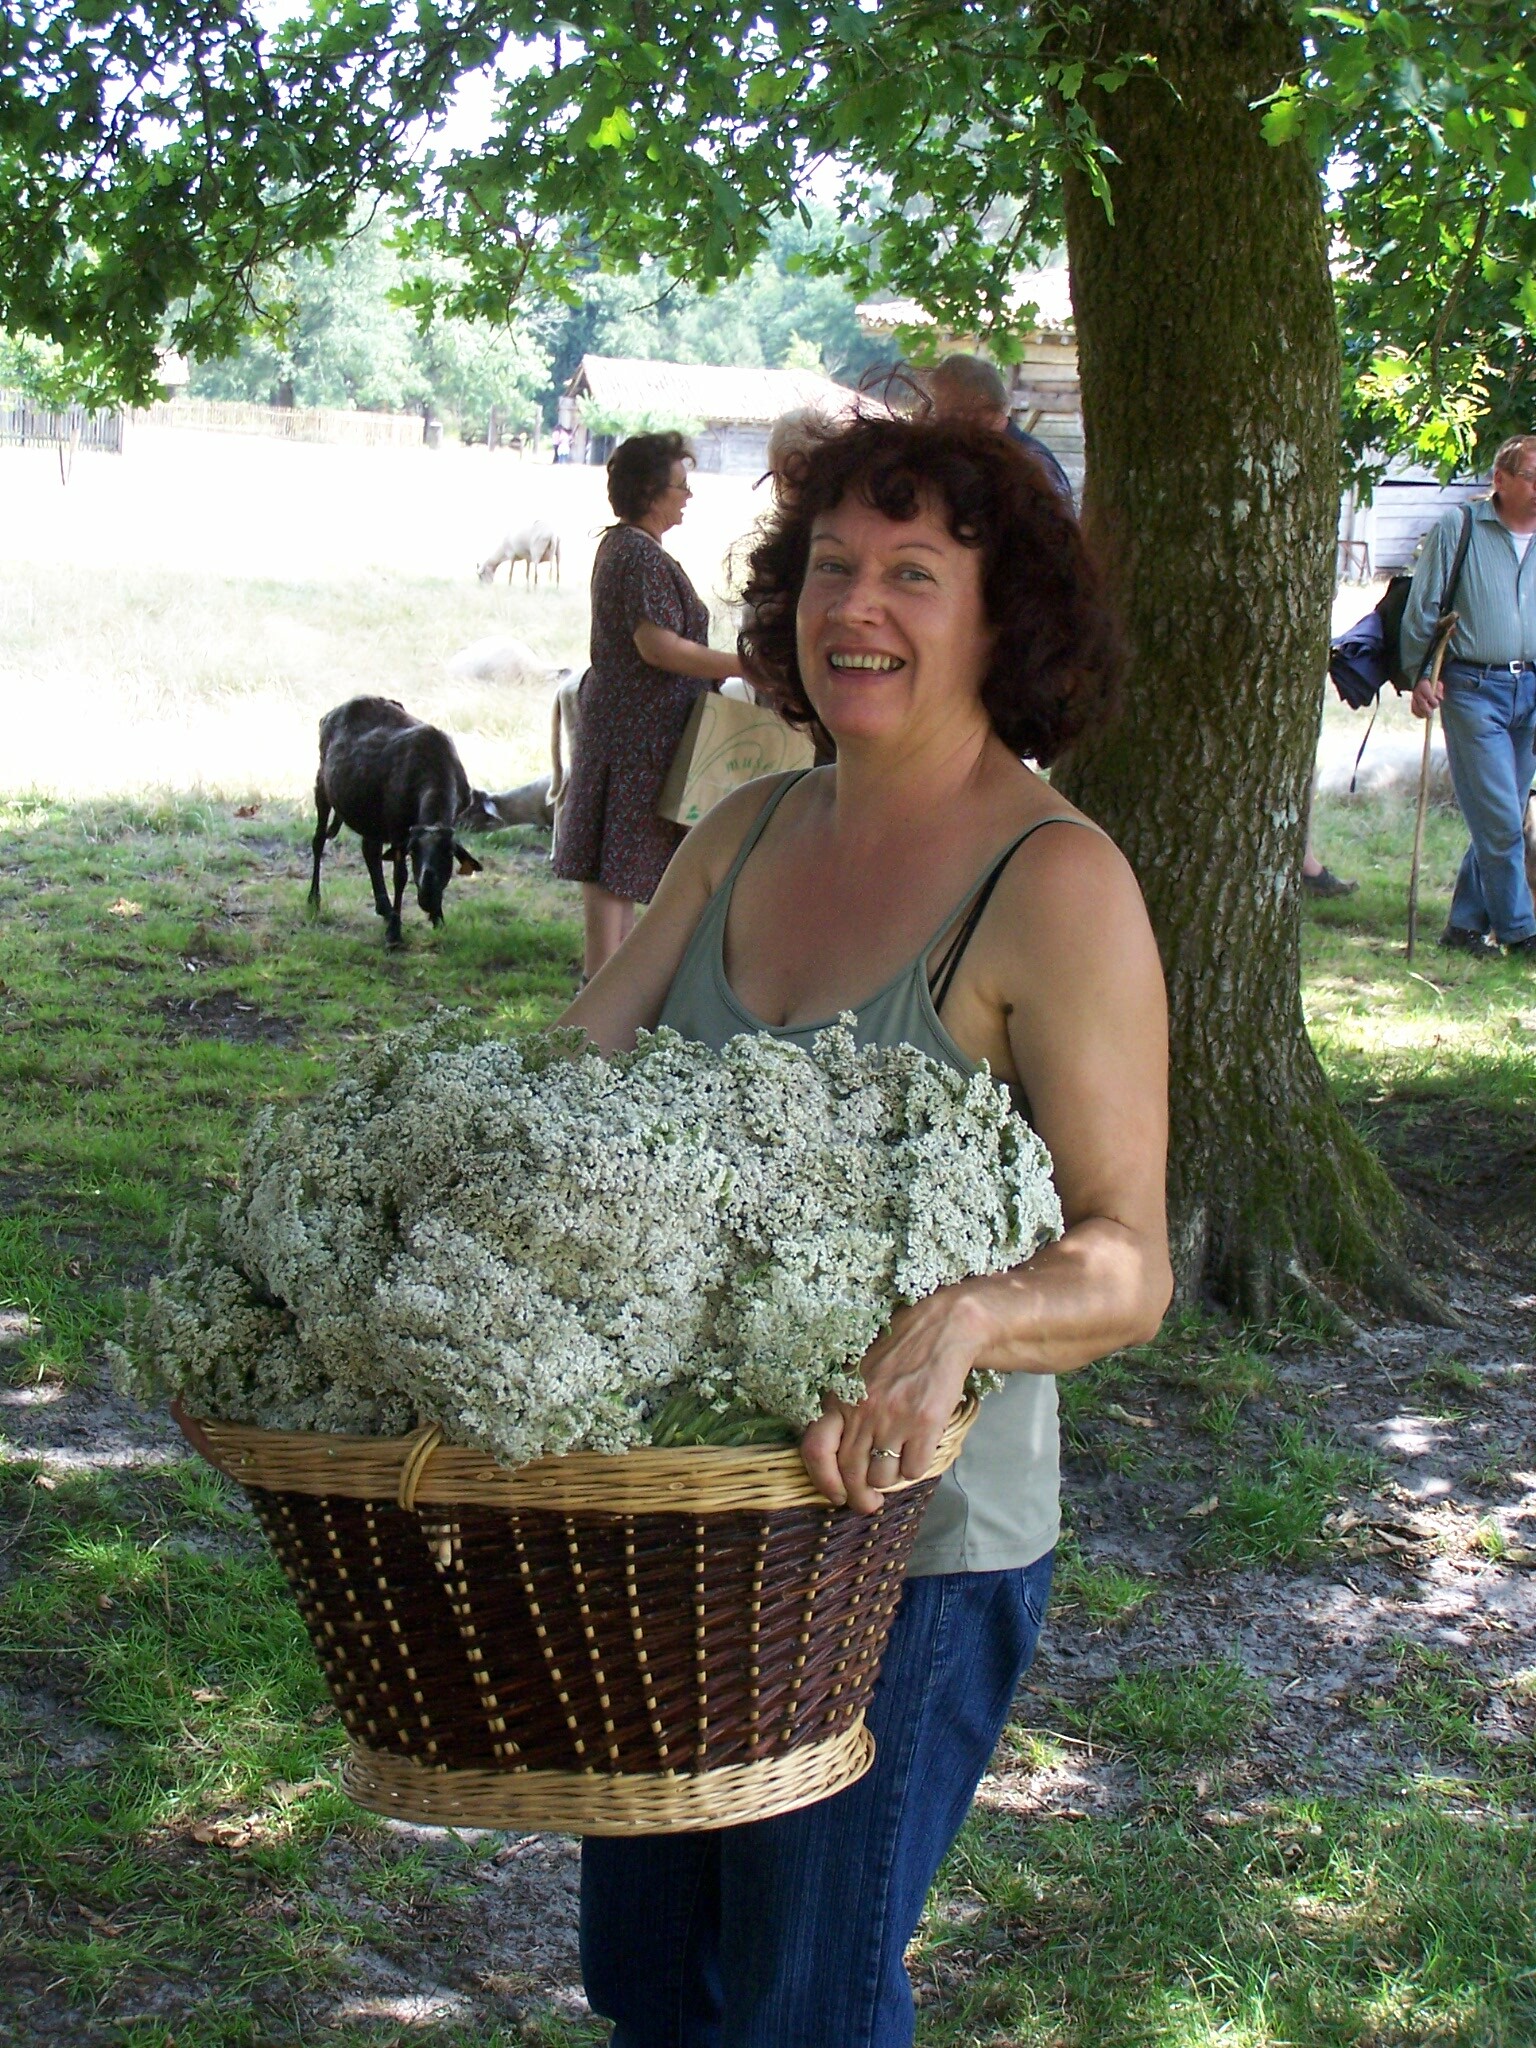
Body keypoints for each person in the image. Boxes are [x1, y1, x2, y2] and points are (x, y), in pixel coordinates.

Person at [562, 414, 1172, 2047]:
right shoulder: (744, 830)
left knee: (803, 2003)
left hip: (896, 1551)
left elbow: (1128, 1256)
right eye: (833, 564)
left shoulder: (1057, 882)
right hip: (675, 1509)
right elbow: (558, 1088)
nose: (858, 606)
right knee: (647, 1984)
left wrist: (968, 1320)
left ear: (1002, 617)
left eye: (914, 572)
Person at [552, 431, 745, 978]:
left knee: (620, 867)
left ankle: (610, 992)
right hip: (637, 734)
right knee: (619, 864)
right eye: (680, 486)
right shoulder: (638, 554)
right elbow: (656, 646)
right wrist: (744, 666)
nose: (688, 496)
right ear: (650, 492)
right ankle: (603, 997)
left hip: (628, 728)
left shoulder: (627, 547)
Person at [1403, 435, 1536, 957]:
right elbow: (1424, 608)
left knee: (1497, 813)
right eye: (1532, 476)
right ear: (1500, 481)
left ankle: (1463, 927)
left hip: (1531, 688)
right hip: (1472, 688)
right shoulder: (1460, 528)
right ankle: (1522, 933)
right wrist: (1419, 674)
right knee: (1502, 817)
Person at [927, 352, 1075, 506]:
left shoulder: (1030, 460)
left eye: (949, 411)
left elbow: (1055, 524)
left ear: (976, 404)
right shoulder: (973, 455)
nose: (940, 422)